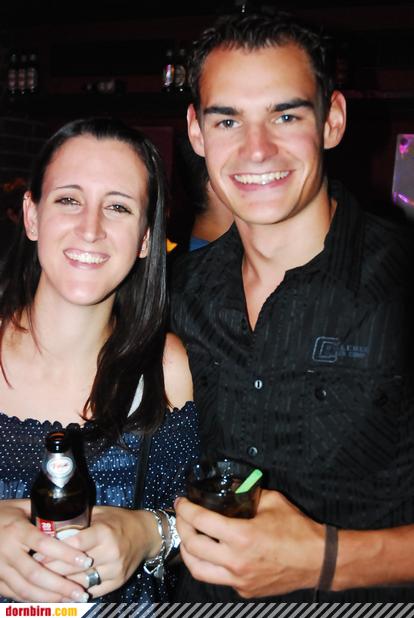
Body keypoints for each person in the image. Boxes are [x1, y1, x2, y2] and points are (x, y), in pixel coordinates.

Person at [170, 11, 414, 603]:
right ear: (197, 133)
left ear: (332, 121)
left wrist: (326, 561)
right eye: (228, 120)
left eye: (285, 115)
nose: (257, 149)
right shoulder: (176, 292)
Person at [0, 117, 198, 603]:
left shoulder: (168, 367)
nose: (90, 229)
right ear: (31, 216)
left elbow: (196, 526)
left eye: (118, 207)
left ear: (146, 238)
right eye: (69, 200)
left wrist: (149, 534)